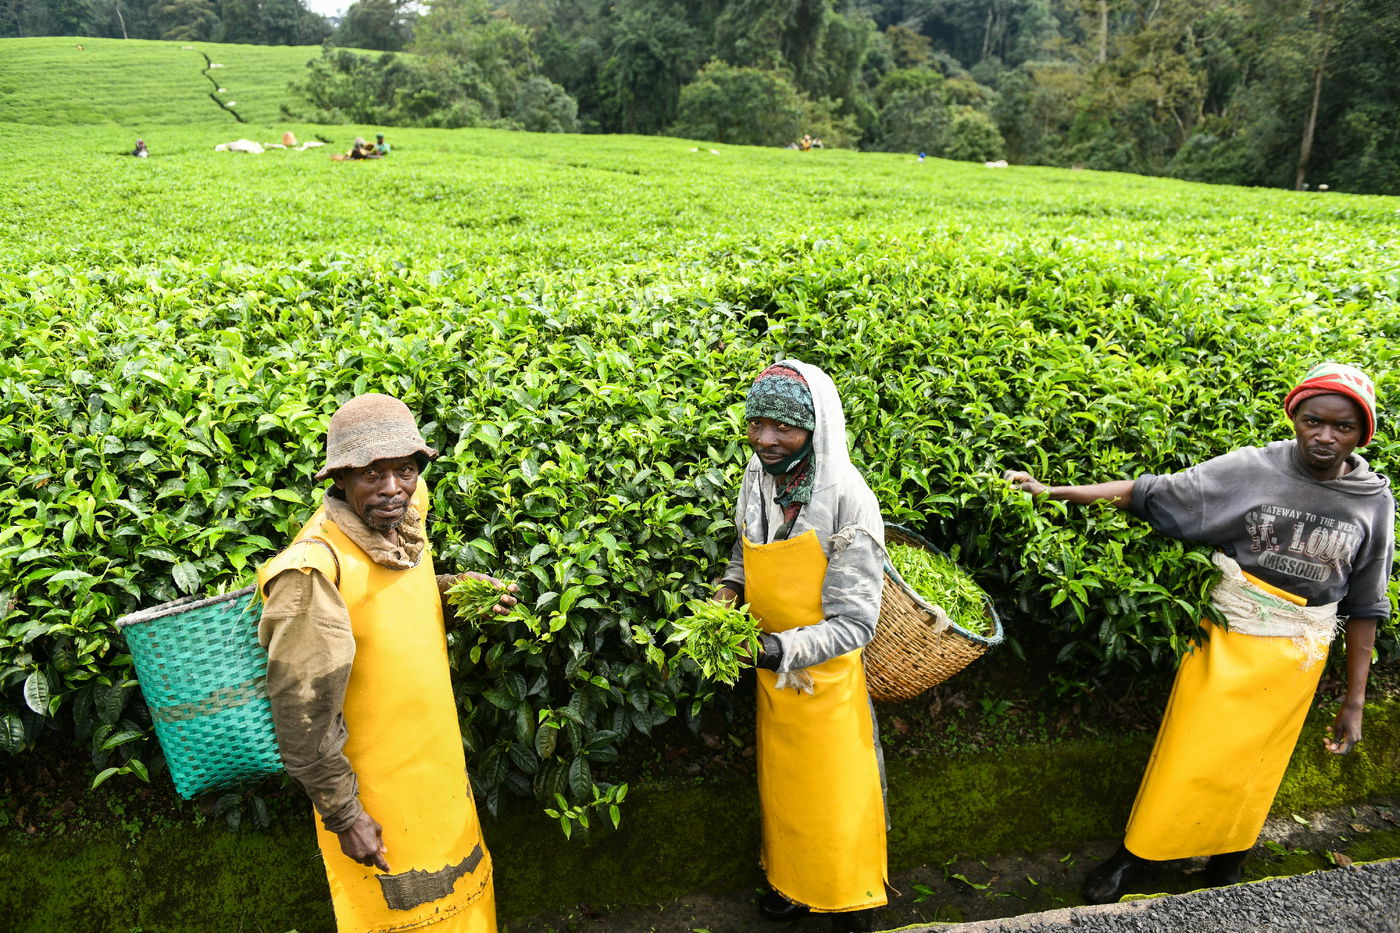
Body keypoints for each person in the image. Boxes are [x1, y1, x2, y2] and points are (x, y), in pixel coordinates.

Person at [1005, 362, 1394, 903]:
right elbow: (1153, 493)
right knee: (1187, 754)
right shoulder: (1253, 469)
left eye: (1343, 427)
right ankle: (1136, 854)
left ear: (1362, 434)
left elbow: (1367, 603)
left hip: (1296, 655)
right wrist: (1051, 491)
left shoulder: (1372, 500)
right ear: (1295, 418)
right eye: (1313, 421)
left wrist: (1355, 702)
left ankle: (1229, 856)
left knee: (1256, 767)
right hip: (1227, 639)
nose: (1325, 436)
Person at [257, 393, 515, 932]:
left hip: (441, 781)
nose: (393, 487)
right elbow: (302, 715)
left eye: (405, 470)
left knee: (469, 911)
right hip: (380, 803)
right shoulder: (312, 572)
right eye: (371, 473)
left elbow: (385, 606)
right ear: (340, 478)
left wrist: (455, 593)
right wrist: (345, 814)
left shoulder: (401, 520)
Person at [715, 361, 888, 933]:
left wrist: (772, 650)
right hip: (773, 677)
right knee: (784, 793)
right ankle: (793, 883)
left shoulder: (850, 501)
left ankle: (850, 906)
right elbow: (745, 549)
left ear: (814, 428)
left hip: (826, 683)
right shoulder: (758, 474)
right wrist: (728, 590)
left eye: (783, 428)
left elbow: (856, 623)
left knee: (834, 804)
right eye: (756, 424)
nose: (765, 439)